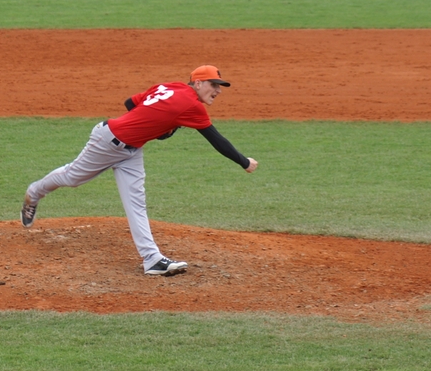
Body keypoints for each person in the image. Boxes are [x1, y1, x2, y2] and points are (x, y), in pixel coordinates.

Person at [21, 66, 258, 276]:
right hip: (107, 142)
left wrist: (154, 125)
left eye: (219, 86)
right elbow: (216, 140)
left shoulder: (169, 86)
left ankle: (152, 259)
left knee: (136, 202)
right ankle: (34, 192)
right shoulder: (192, 105)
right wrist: (244, 162)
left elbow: (130, 103)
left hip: (132, 151)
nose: (218, 90)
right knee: (72, 177)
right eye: (214, 85)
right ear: (198, 83)